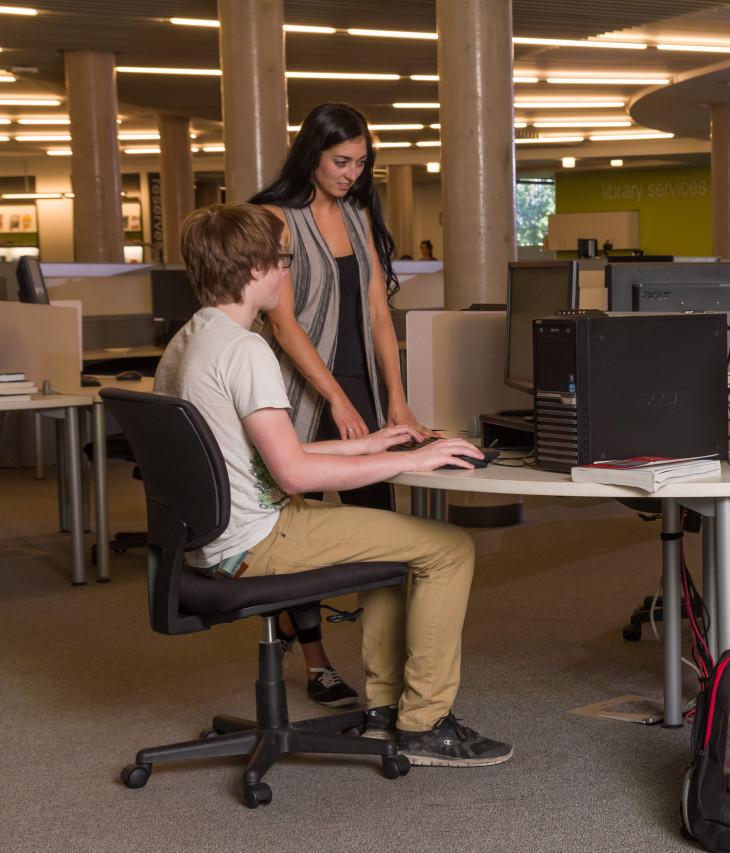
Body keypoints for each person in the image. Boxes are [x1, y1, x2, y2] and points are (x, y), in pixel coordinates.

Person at [154, 203, 512, 767]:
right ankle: (425, 725)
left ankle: (383, 713)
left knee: (396, 542)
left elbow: (263, 454)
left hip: (214, 539)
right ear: (254, 269)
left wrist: (368, 444)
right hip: (258, 539)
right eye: (282, 260)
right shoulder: (246, 350)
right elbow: (294, 474)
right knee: (448, 547)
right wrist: (408, 463)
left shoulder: (190, 340)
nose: (286, 272)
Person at [251, 103, 424, 706]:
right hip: (299, 389)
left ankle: (384, 675)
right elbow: (285, 322)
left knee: (379, 528)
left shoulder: (356, 216)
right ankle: (317, 660)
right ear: (312, 154)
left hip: (362, 389)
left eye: (360, 162)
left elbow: (379, 312)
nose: (352, 173)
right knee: (296, 526)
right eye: (340, 161)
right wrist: (336, 399)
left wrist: (396, 403)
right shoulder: (275, 218)